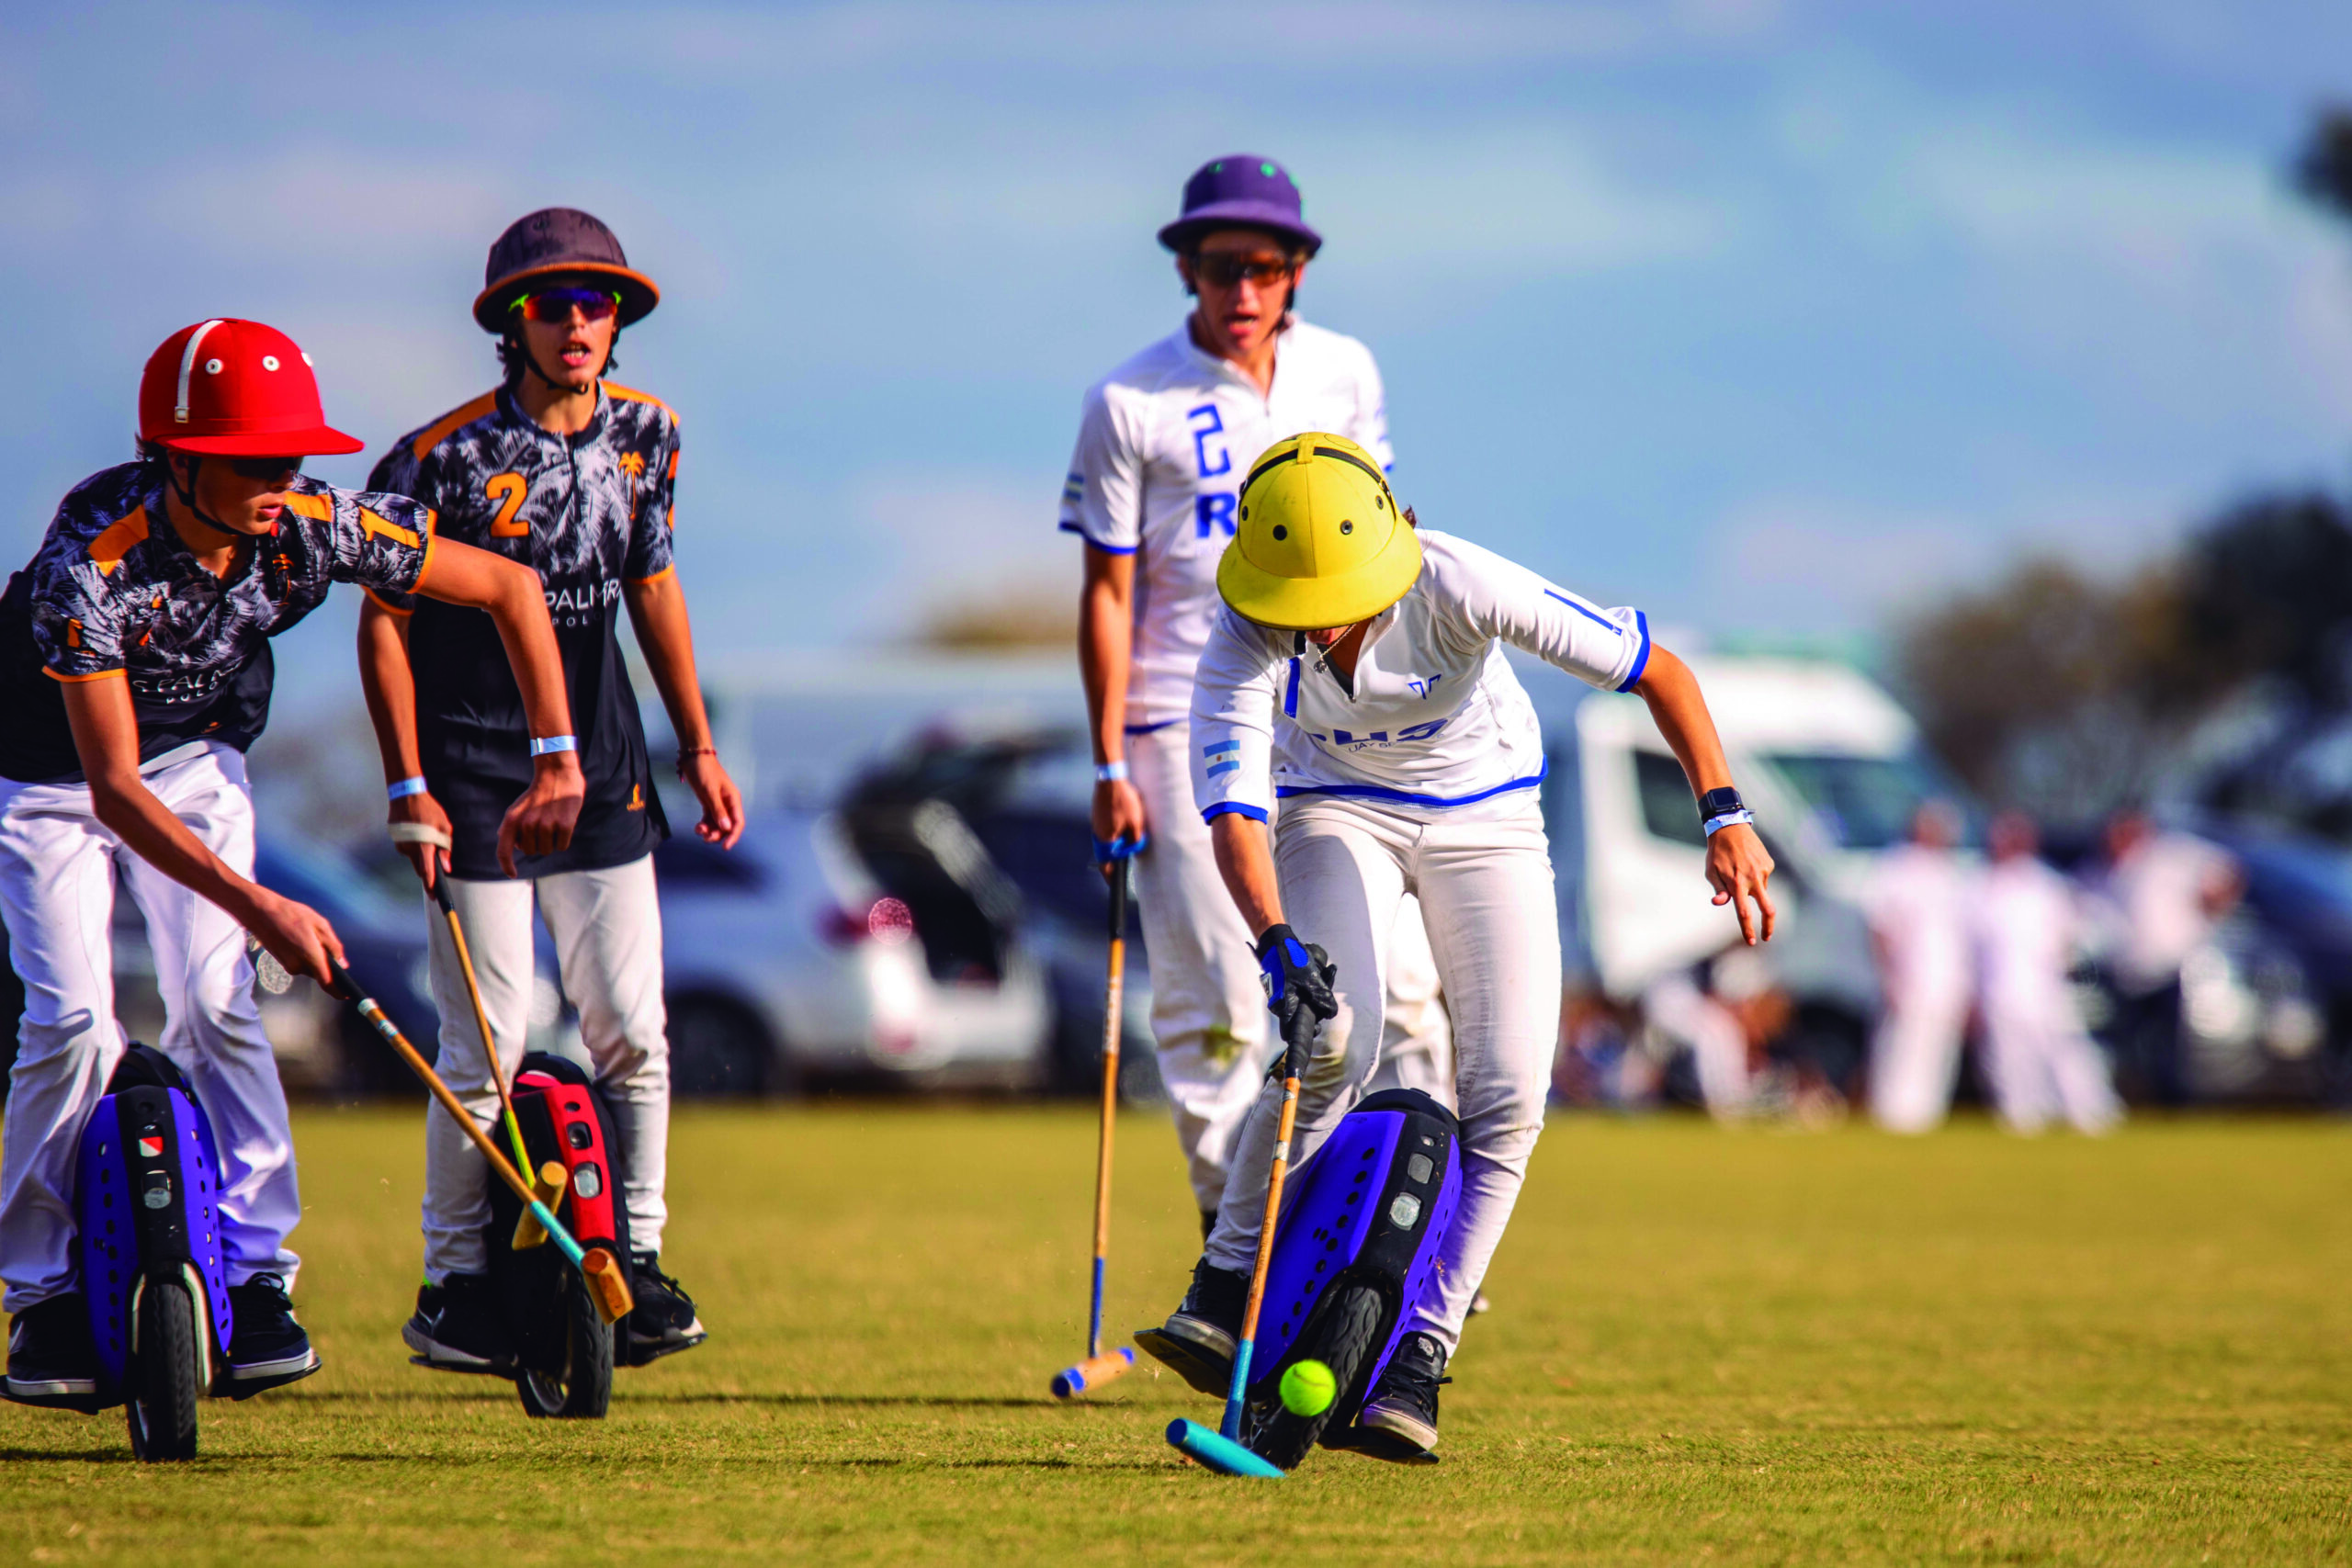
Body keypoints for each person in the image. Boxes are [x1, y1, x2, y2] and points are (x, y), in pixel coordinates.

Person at [1136, 434, 1774, 1458]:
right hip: (1332, 811)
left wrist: (1724, 816)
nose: (1321, 622)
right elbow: (1237, 812)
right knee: (1331, 1037)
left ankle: (1419, 1354)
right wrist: (1275, 944)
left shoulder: (1460, 582)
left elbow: (1659, 672)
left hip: (1489, 818)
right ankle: (1223, 1282)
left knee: (1510, 1093)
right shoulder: (1243, 627)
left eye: (1340, 597)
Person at [1, 319, 582, 1407]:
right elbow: (112, 790)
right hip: (50, 778)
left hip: (194, 760)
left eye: (293, 456)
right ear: (177, 460)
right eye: (255, 461)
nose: (283, 479)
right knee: (73, 1021)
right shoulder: (91, 562)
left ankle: (258, 1275)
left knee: (217, 1002)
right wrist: (263, 902)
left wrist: (556, 758)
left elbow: (508, 588)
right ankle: (43, 1299)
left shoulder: (312, 524)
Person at [360, 209, 742, 1375]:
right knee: (488, 1042)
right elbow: (384, 626)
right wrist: (408, 784)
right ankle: (456, 1287)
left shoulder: (650, 433)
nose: (577, 322)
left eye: (597, 302)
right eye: (551, 304)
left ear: (618, 320)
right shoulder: (435, 458)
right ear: (509, 322)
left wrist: (698, 745)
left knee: (633, 1032)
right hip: (475, 772)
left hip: (608, 769)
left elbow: (653, 585)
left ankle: (641, 1257)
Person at [1064, 153, 1449, 1237]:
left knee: (1401, 994)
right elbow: (1106, 592)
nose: (1243, 289)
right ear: (1184, 267)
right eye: (1221, 265)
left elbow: (1383, 546)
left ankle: (1403, 1241)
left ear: (1296, 273)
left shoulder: (1346, 371)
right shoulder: (1127, 402)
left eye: (1265, 267)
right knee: (1222, 1012)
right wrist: (1108, 762)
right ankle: (1235, 1260)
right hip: (1176, 719)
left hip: (1326, 722)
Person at [1974, 811, 2120, 1134]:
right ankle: (2023, 1116)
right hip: (2000, 989)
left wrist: (2066, 967)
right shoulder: (1982, 886)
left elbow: (2072, 933)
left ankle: (2093, 1114)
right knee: (2009, 1059)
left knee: (2069, 1054)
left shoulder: (2047, 884)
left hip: (2046, 987)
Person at [2096, 807, 2240, 1107]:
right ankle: (2134, 1101)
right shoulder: (2106, 868)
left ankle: (2173, 1103)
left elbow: (2228, 873)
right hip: (2126, 972)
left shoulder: (2175, 855)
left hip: (2171, 968)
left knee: (2168, 1046)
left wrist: (2212, 906)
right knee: (2127, 1047)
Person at [1863, 800, 1972, 1134]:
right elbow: (1880, 927)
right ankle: (1893, 1118)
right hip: (1909, 977)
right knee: (1901, 1051)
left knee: (1939, 1053)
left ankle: (1926, 1119)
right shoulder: (1897, 867)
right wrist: (1889, 975)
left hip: (1946, 980)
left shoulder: (1952, 873)